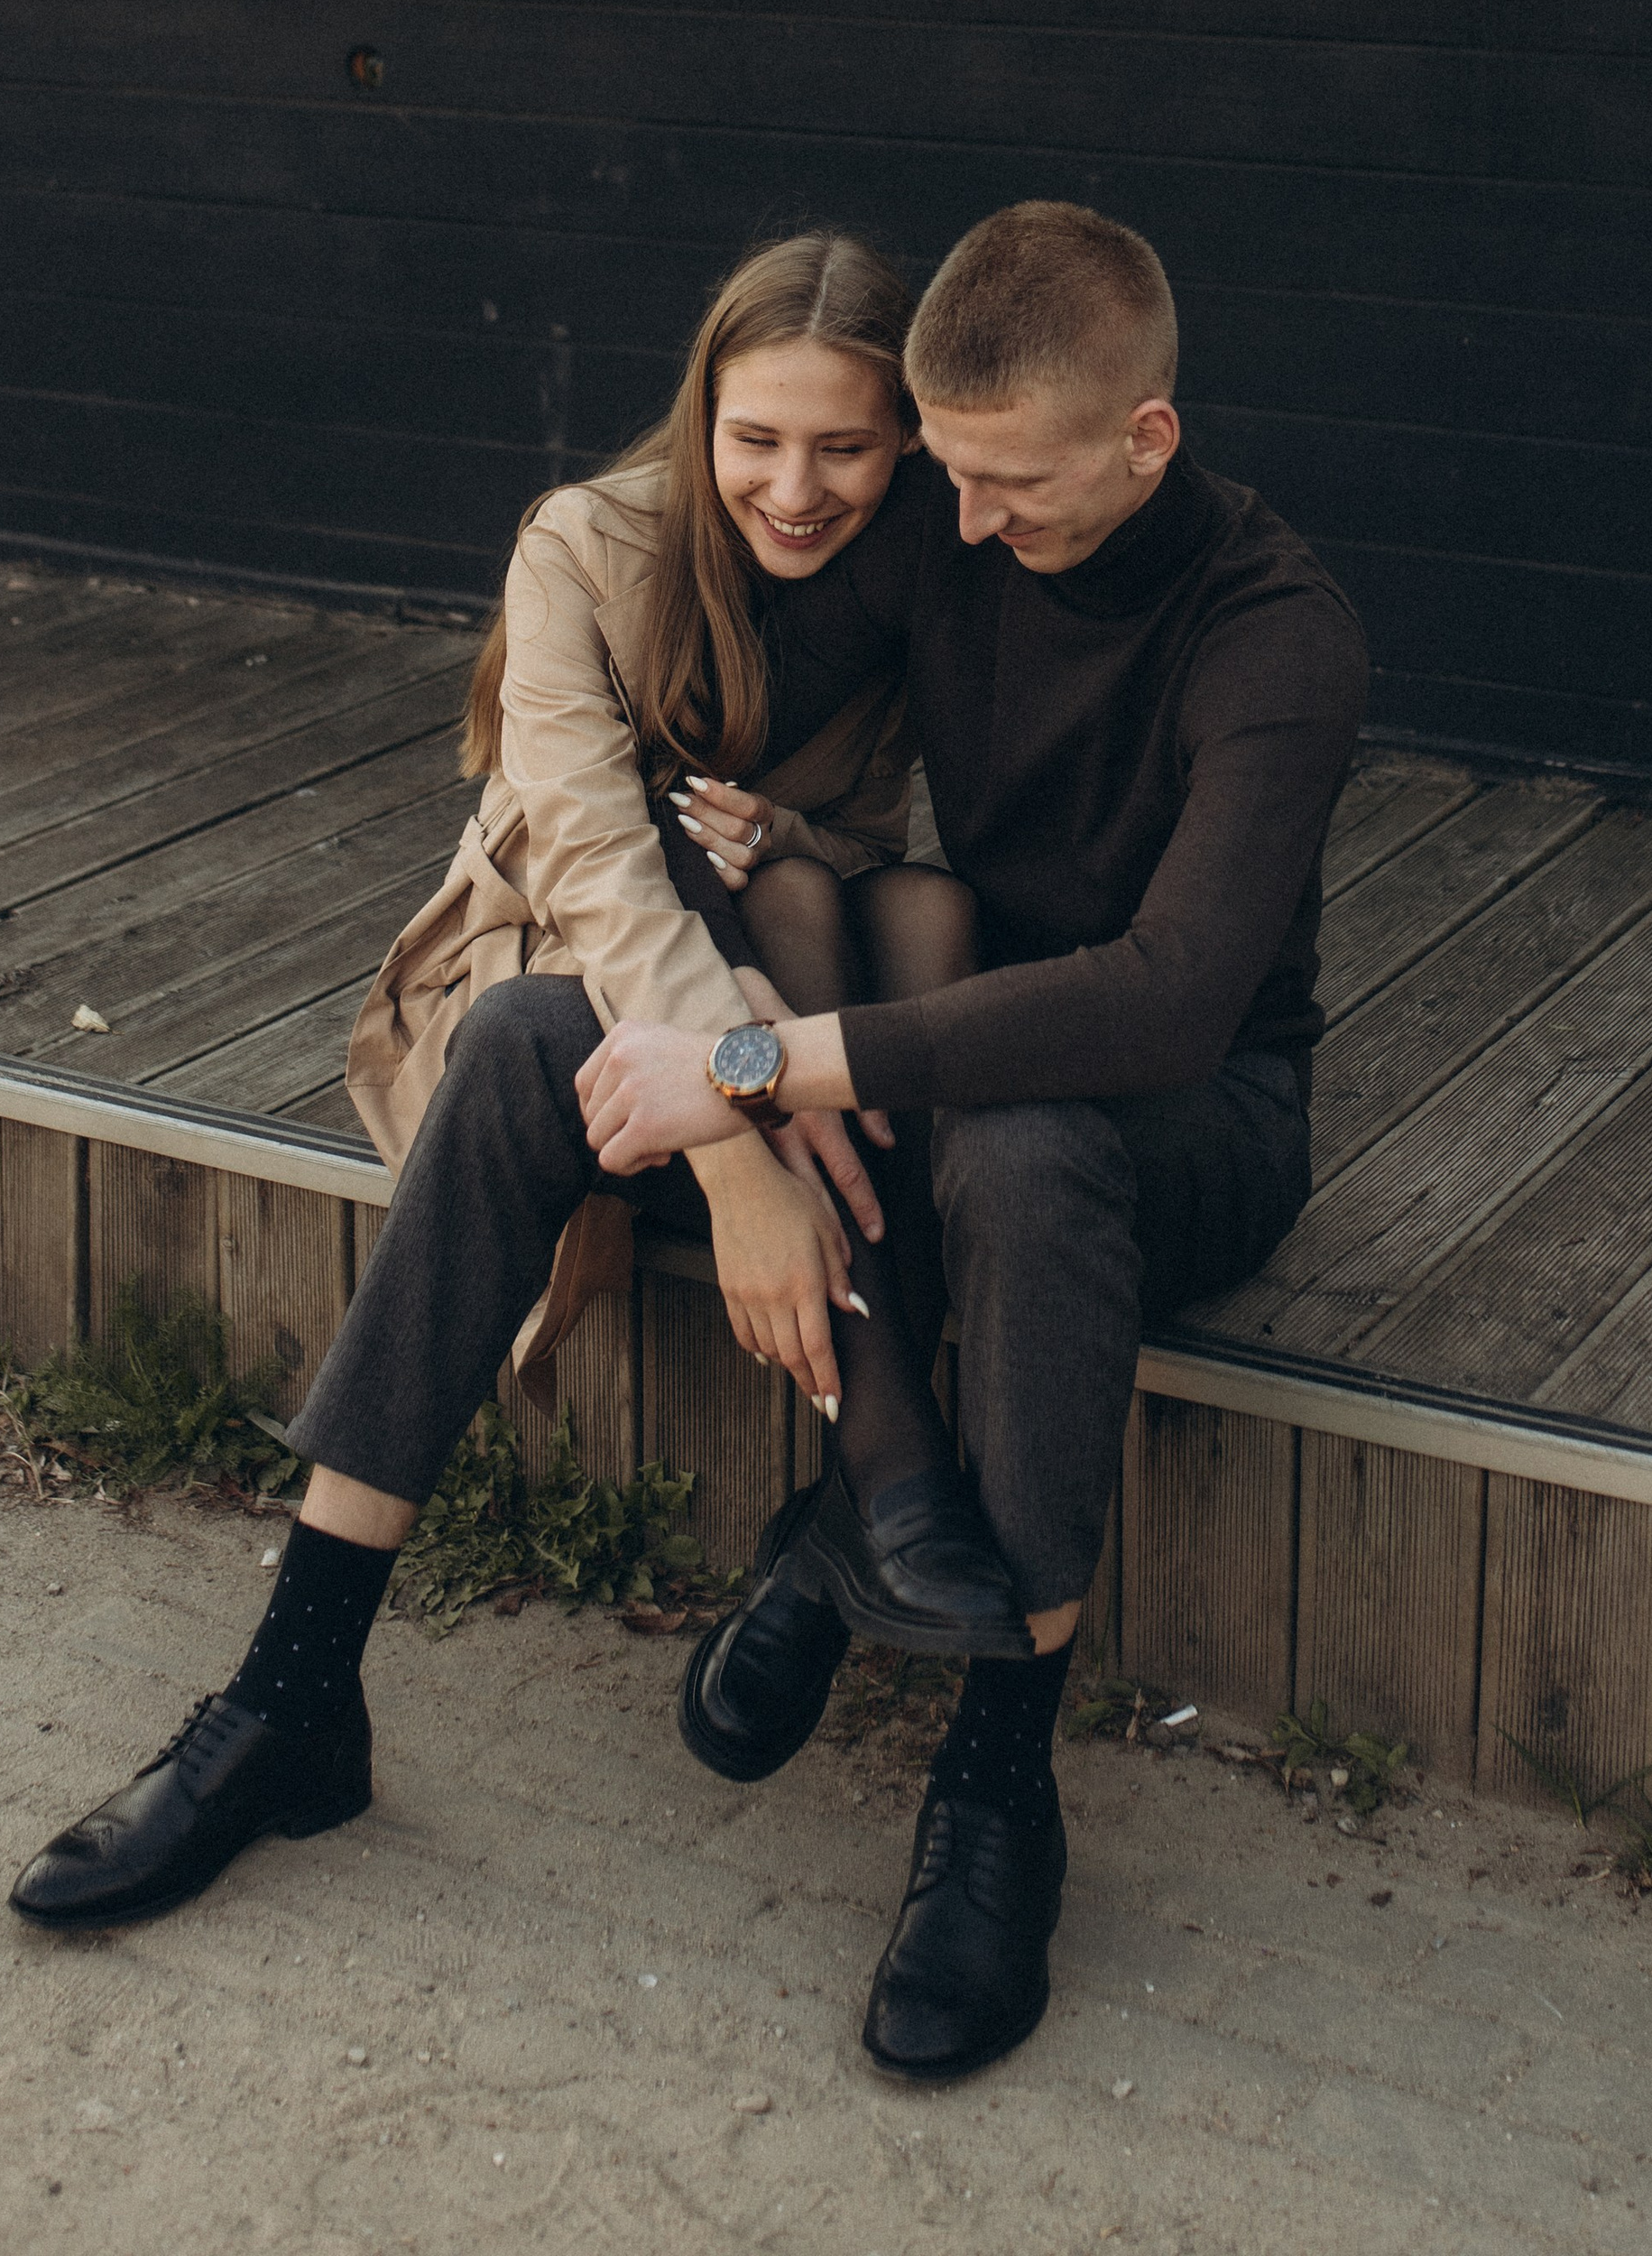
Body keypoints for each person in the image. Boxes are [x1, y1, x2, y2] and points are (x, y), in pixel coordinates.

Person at [8, 228, 1025, 1950]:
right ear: (701, 414)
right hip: (580, 979)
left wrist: (786, 846)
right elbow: (595, 863)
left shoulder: (917, 566)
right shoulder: (588, 543)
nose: (796, 489)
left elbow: (869, 849)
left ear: (906, 443)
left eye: (846, 446)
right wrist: (738, 1163)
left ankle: (869, 1507)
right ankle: (294, 1693)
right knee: (521, 1037)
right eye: (757, 438)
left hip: (779, 1015)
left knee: (865, 906)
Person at [578, 203, 1369, 2080]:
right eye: (945, 472)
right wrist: (714, 830)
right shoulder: (952, 524)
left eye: (1013, 483)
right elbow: (684, 699)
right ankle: (869, 1505)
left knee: (1018, 1155)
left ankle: (995, 1774)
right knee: (954, 1086)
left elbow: (1166, 1000)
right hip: (972, 1056)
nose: (969, 522)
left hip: (1197, 1118)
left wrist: (762, 1063)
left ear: (1145, 437)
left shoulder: (1277, 633)